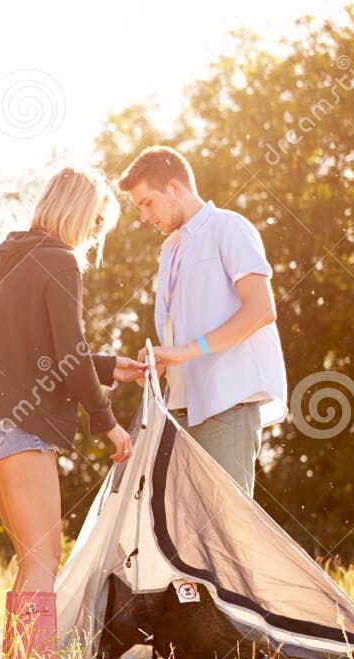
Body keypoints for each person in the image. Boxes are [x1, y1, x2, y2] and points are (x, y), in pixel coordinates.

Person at [0, 166, 146, 659]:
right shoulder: (61, 260)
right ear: (84, 214)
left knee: (30, 558)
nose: (96, 234)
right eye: (99, 222)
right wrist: (107, 422)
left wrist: (110, 367)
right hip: (17, 426)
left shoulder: (13, 254)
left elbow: (38, 347)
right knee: (45, 559)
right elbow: (66, 353)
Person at [119, 146, 287, 497]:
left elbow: (260, 309)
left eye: (148, 203)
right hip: (180, 411)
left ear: (175, 188)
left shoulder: (229, 227)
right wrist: (163, 361)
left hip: (227, 404)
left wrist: (187, 351)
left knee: (225, 534)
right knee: (185, 539)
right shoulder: (170, 251)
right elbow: (182, 331)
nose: (145, 216)